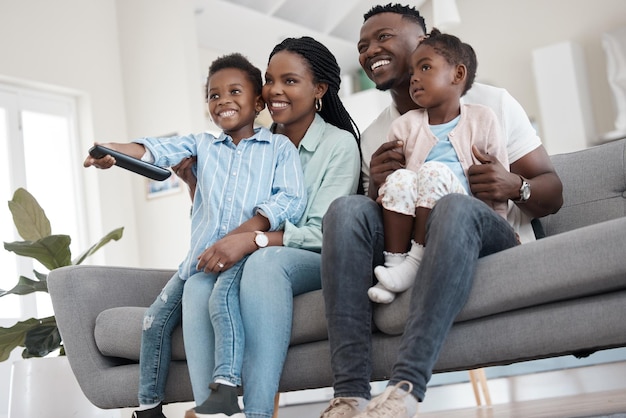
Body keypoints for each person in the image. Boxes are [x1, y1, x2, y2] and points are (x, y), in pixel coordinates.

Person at [320, 4, 563, 418]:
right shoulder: (378, 133)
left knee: (452, 205)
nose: (370, 50)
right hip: (413, 246)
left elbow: (552, 192)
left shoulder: (491, 104)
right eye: (363, 45)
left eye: (384, 37)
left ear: (425, 40)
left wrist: (514, 184)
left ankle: (406, 388)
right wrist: (375, 187)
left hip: (489, 233)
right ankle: (349, 396)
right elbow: (377, 223)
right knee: (344, 210)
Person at [84, 52, 307, 418]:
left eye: (235, 91)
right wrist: (111, 151)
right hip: (197, 262)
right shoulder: (201, 146)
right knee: (153, 322)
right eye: (213, 95)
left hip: (243, 257)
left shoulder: (278, 149)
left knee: (221, 304)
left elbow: (290, 200)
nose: (223, 100)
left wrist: (244, 234)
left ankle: (225, 386)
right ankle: (149, 407)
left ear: (257, 102)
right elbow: (155, 149)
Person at [181, 37, 361, 418]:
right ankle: (210, 411)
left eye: (290, 81)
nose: (274, 90)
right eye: (269, 79)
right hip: (257, 252)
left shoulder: (338, 145)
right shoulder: (256, 145)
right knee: (198, 281)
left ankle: (258, 413)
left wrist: (255, 240)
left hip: (312, 258)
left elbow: (324, 234)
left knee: (267, 263)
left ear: (319, 90)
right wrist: (195, 186)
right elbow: (227, 224)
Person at [368, 28, 509, 304]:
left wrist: (500, 221)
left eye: (425, 67)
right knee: (401, 179)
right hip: (418, 216)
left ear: (458, 75)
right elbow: (394, 188)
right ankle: (395, 267)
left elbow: (499, 180)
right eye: (412, 71)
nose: (415, 78)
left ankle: (414, 264)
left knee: (432, 172)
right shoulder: (403, 125)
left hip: (464, 215)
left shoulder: (483, 118)